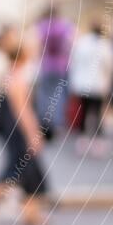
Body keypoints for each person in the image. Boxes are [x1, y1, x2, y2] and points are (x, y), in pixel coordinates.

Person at [0, 26, 50, 225]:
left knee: (20, 171)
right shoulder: (18, 78)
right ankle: (25, 212)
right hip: (19, 131)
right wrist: (34, 134)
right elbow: (23, 110)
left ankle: (29, 213)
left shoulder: (9, 74)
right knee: (23, 171)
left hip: (12, 131)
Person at [68, 21, 113, 157]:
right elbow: (110, 65)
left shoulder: (82, 43)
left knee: (83, 111)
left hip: (82, 84)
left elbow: (74, 62)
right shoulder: (105, 45)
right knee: (97, 113)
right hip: (98, 85)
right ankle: (97, 141)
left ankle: (83, 141)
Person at [34, 8, 74, 141]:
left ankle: (44, 123)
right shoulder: (66, 26)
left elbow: (36, 45)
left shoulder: (42, 26)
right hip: (62, 66)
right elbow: (71, 44)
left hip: (46, 66)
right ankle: (56, 123)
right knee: (58, 96)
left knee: (44, 95)